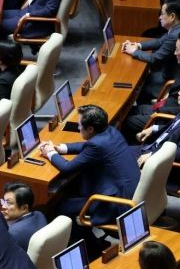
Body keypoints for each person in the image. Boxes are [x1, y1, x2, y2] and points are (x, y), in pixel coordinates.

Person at [40, 105, 140, 252]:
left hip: (115, 203)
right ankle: (92, 243)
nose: (78, 128)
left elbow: (67, 168)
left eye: (80, 126)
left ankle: (92, 249)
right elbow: (88, 146)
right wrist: (62, 148)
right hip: (127, 190)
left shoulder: (97, 145)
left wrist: (50, 153)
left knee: (62, 208)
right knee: (74, 188)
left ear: (91, 129)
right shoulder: (110, 131)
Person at [122, 31, 180, 141]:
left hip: (168, 115)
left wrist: (159, 110)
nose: (175, 53)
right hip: (169, 104)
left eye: (177, 50)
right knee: (130, 110)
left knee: (127, 121)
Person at [121, 0, 180, 101]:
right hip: (168, 70)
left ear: (172, 17)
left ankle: (141, 108)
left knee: (137, 88)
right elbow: (159, 41)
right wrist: (137, 45)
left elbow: (155, 59)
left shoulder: (175, 35)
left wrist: (133, 51)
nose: (159, 17)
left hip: (169, 79)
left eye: (162, 14)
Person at [136, 77, 180, 168]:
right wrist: (153, 128)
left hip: (155, 162)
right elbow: (174, 128)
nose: (179, 93)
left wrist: (152, 156)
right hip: (150, 147)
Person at [0, 182, 47, 252]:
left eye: (9, 203)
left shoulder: (13, 233)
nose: (3, 206)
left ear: (24, 208)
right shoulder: (39, 214)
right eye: (4, 202)